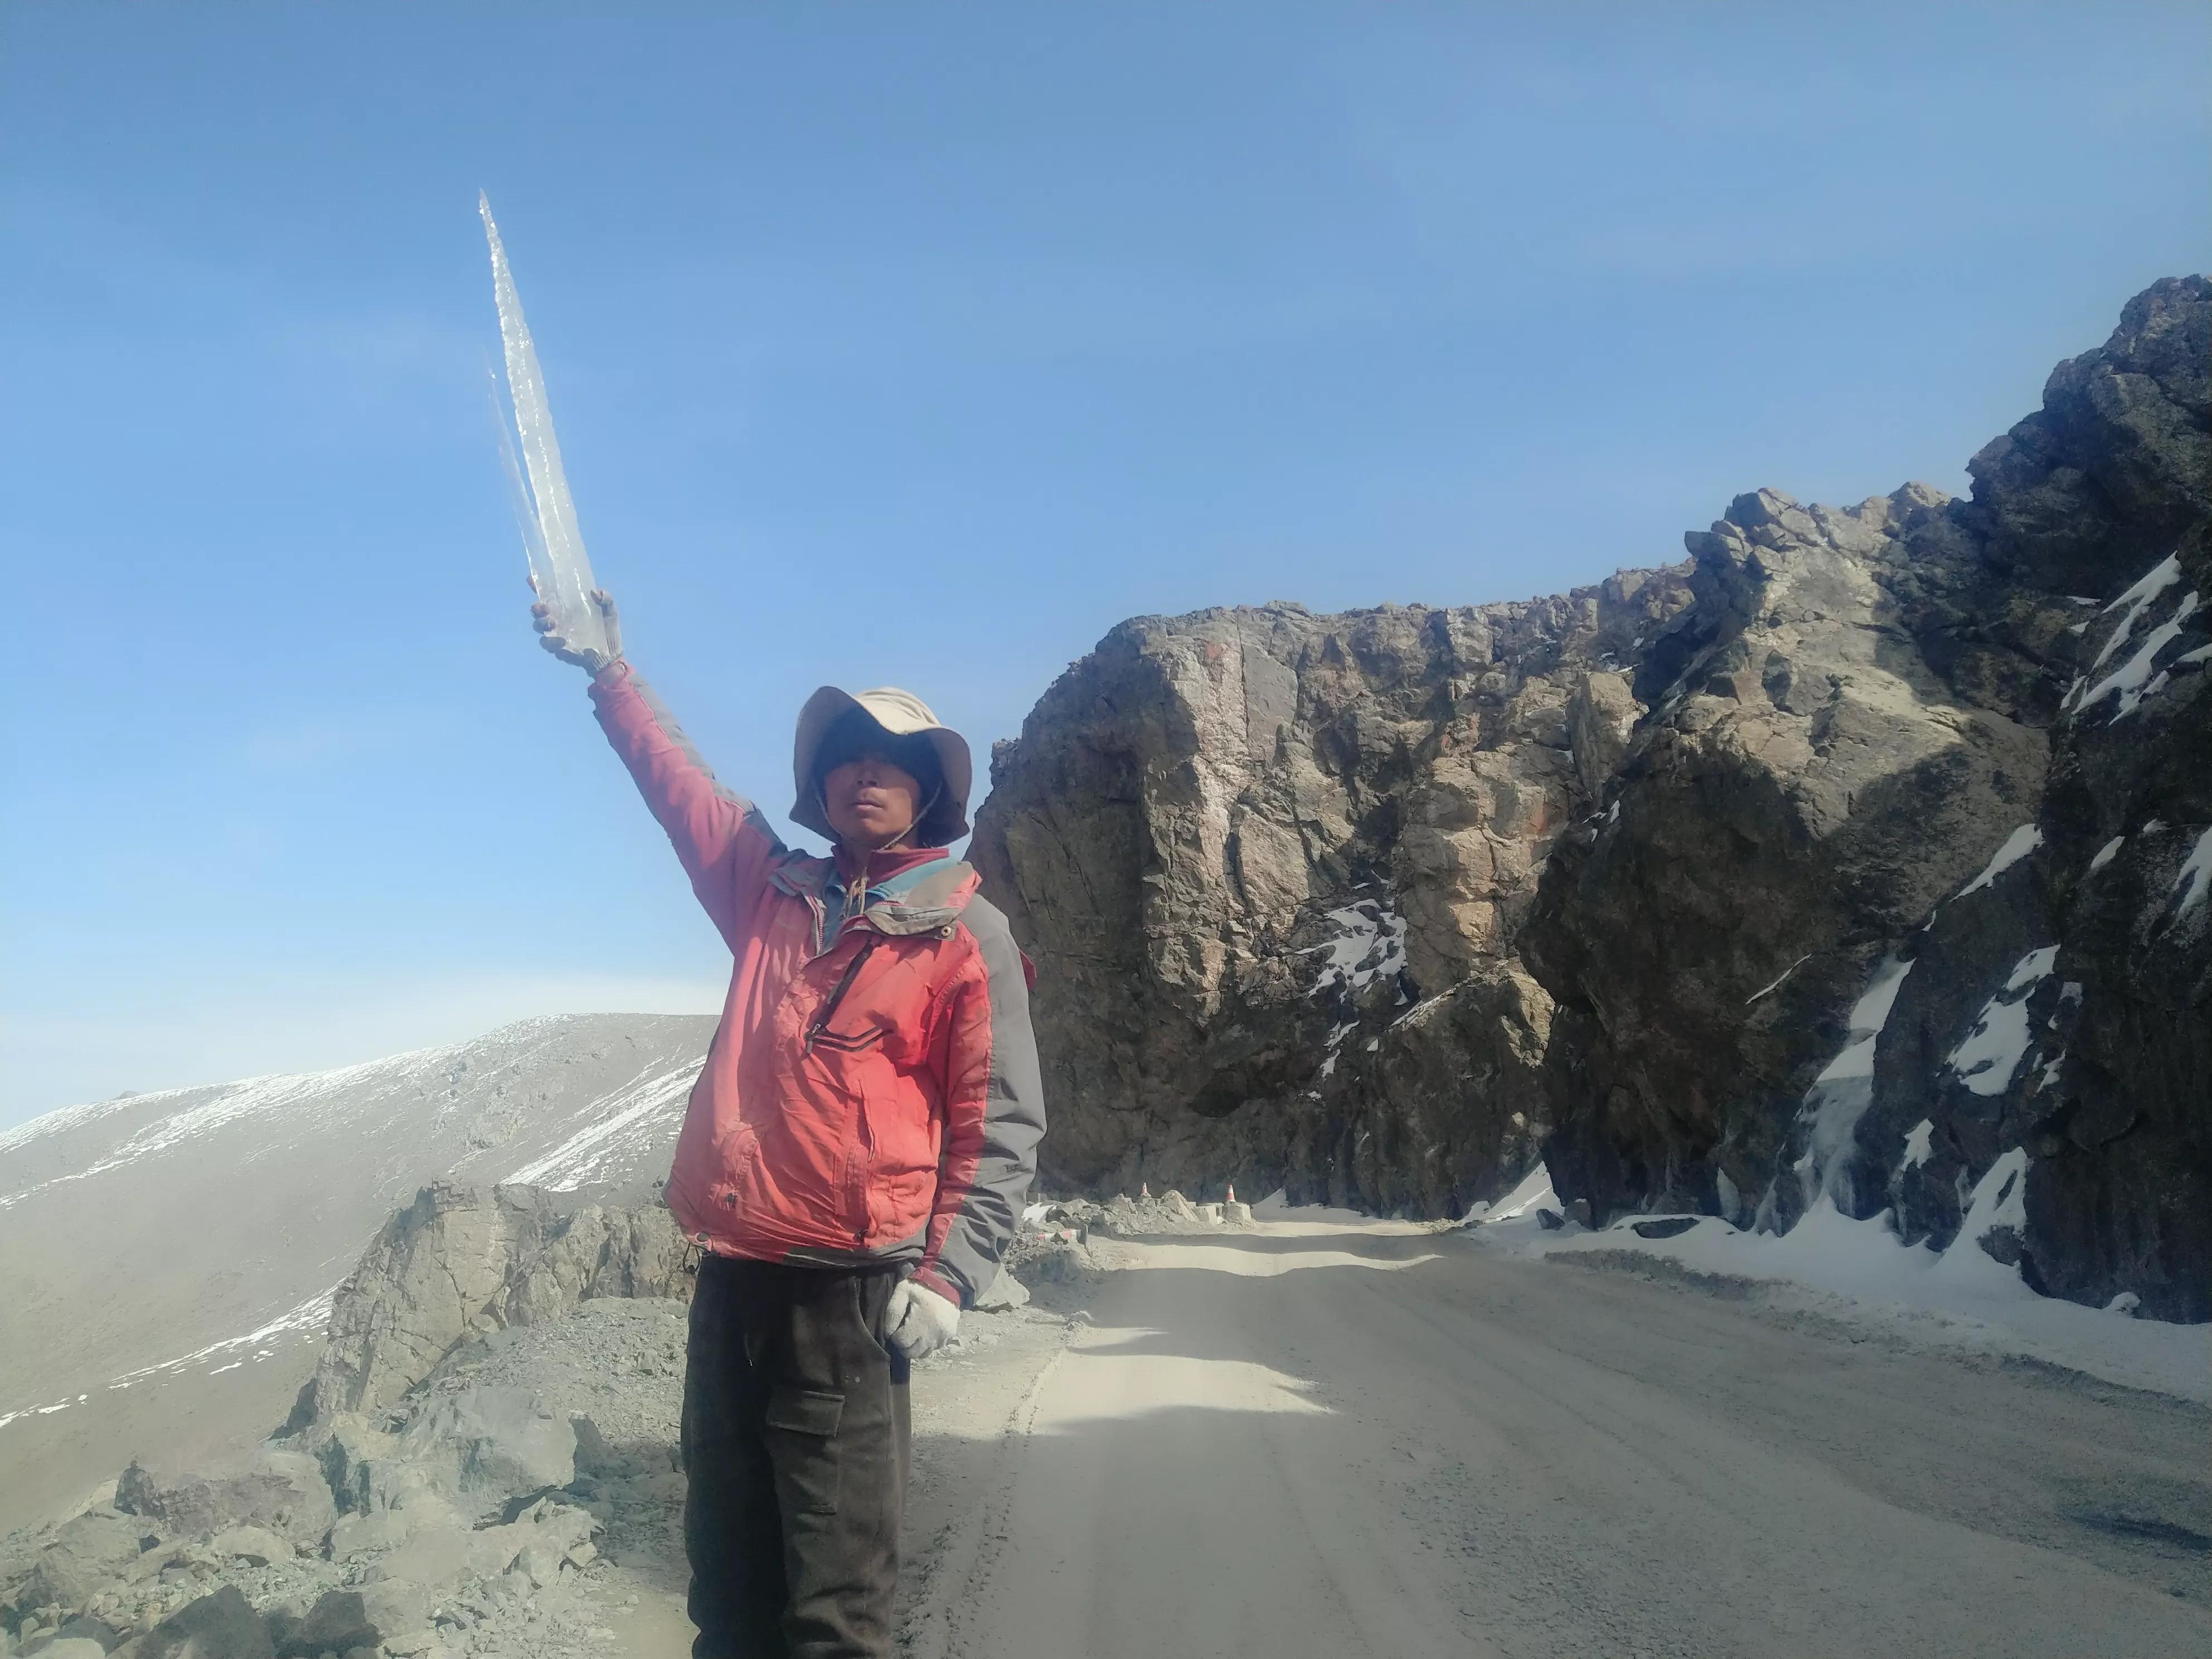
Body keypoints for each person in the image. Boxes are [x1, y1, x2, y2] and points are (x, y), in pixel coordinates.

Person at [532, 588, 1045, 1659]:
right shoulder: (768, 889)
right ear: (821, 781)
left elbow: (997, 1123)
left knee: (836, 1607)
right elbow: (682, 792)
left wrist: (950, 1277)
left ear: (928, 794)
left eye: (894, 761)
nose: (867, 771)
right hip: (733, 1285)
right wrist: (609, 673)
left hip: (852, 1299)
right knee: (726, 1589)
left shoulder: (966, 934)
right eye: (850, 754)